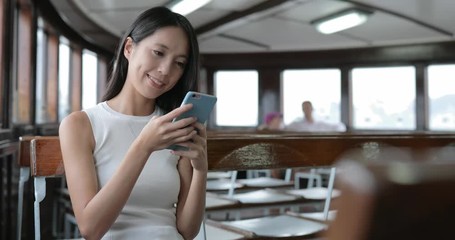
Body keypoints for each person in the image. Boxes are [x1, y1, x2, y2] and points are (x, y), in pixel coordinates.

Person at [59, 7, 206, 240]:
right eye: (158, 52)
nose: (165, 70)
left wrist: (200, 169)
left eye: (179, 63)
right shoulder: (80, 125)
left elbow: (187, 231)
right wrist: (143, 146)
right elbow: (91, 228)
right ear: (129, 48)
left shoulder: (176, 126)